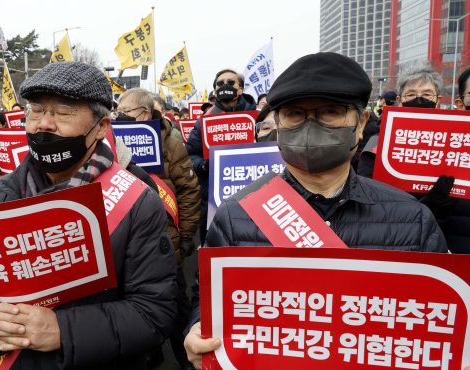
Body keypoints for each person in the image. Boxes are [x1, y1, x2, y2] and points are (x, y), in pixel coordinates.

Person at [183, 52, 449, 370]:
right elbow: (208, 301)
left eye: (330, 112)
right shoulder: (235, 215)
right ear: (278, 125)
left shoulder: (413, 221)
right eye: (295, 114)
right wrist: (196, 330)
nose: (310, 126)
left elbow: (438, 324)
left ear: (361, 123)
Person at [0, 61, 177, 369]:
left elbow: (153, 311)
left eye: (63, 112)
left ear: (101, 126)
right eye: (35, 110)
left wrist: (63, 331)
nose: (44, 124)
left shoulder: (137, 200)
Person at [119, 88, 201, 370]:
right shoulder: (111, 143)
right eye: (117, 112)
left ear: (144, 113)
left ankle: (188, 359)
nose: (119, 116)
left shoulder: (172, 144)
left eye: (125, 112)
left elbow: (188, 192)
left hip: (167, 240)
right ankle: (150, 356)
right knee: (134, 306)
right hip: (129, 241)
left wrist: (188, 233)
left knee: (177, 304)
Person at [358, 65, 470, 254]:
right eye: (411, 94)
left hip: (452, 244)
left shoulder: (457, 141)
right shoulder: (379, 144)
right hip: (397, 242)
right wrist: (427, 207)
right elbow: (366, 198)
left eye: (427, 94)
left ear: (438, 100)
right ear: (400, 101)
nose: (419, 99)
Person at [186, 69, 257, 244]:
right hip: (212, 196)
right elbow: (190, 155)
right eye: (220, 83)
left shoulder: (259, 117)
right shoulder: (203, 121)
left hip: (253, 192)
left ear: (240, 89)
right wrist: (203, 166)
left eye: (231, 82)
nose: (225, 85)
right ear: (215, 90)